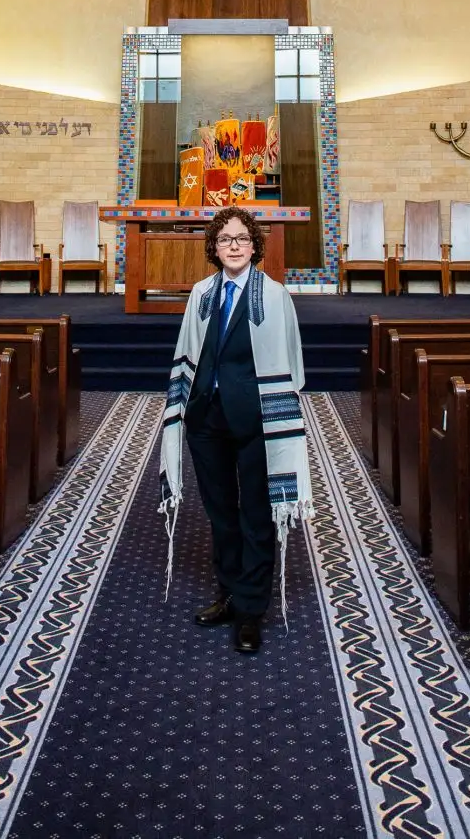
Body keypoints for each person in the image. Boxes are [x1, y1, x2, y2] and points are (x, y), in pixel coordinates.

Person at [159, 205, 313, 654]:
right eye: (225, 239)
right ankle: (227, 593)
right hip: (206, 418)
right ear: (214, 246)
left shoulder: (276, 296)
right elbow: (189, 348)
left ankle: (250, 610)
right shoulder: (202, 293)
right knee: (221, 512)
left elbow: (292, 361)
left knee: (256, 515)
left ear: (254, 246)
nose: (233, 246)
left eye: (241, 239)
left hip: (257, 419)